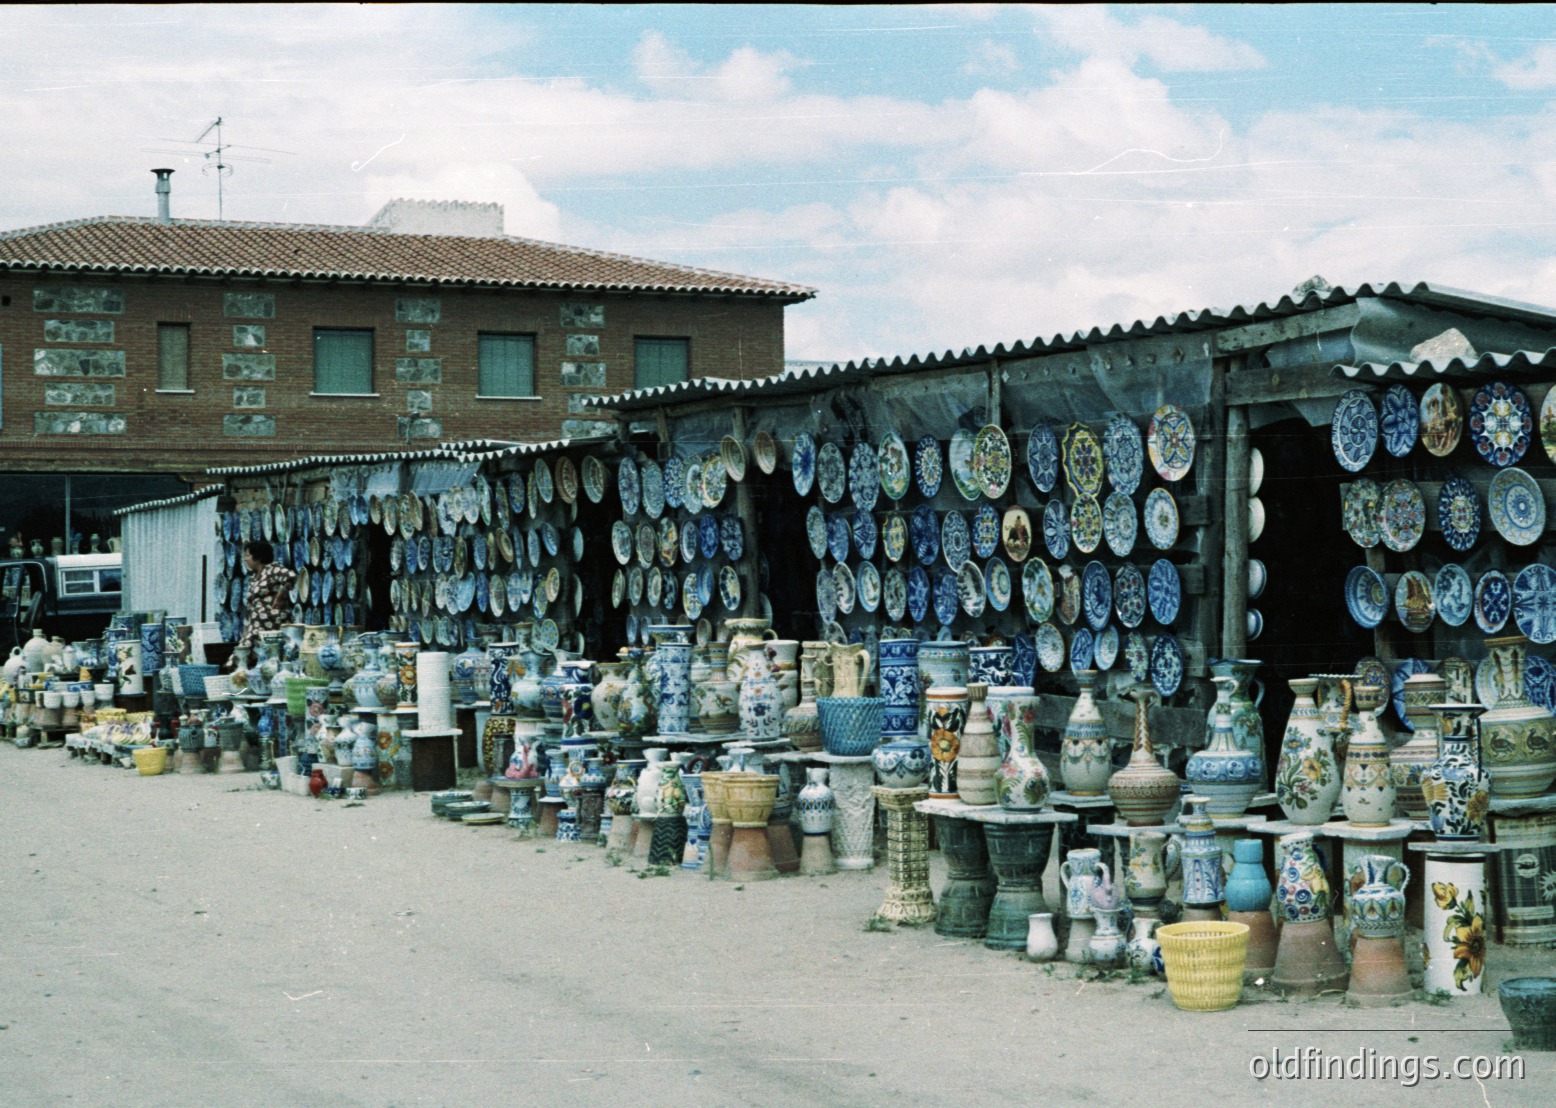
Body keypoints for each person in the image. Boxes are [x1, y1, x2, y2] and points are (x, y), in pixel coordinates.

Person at [228, 540, 296, 668]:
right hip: (256, 623)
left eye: (248, 555)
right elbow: (250, 607)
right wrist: (246, 629)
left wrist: (281, 596)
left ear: (258, 556)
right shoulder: (254, 578)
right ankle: (239, 672)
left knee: (247, 649)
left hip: (272, 621)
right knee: (243, 648)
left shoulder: (272, 569)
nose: (245, 559)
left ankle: (238, 669)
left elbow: (290, 576)